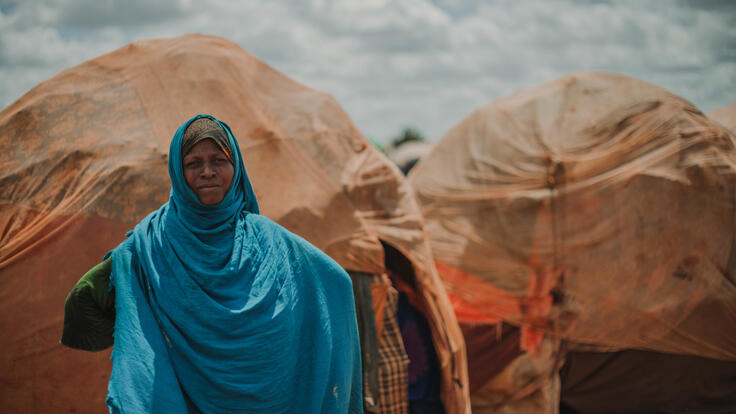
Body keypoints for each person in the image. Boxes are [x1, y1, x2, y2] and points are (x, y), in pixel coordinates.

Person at [61, 114, 363, 413]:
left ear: (236, 167)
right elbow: (83, 300)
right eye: (193, 163)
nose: (207, 172)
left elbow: (336, 282)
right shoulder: (149, 247)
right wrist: (136, 330)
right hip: (184, 400)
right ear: (178, 173)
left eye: (219, 160)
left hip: (272, 400)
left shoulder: (267, 239)